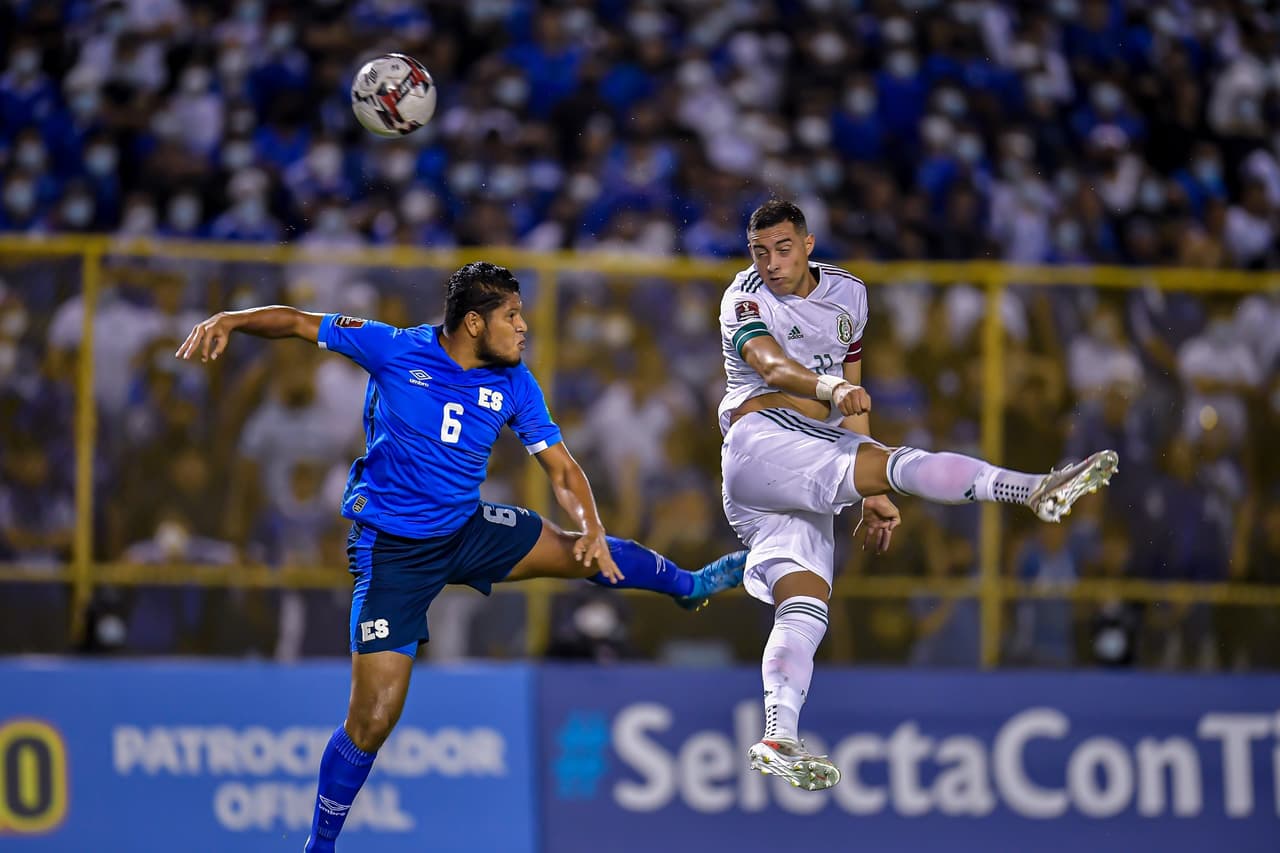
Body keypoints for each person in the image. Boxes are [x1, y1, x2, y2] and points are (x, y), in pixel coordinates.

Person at [177, 261, 746, 851]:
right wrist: (232, 318)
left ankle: (689, 586)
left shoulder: (516, 382)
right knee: (373, 720)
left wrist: (593, 525)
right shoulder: (394, 348)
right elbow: (297, 322)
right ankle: (319, 845)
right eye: (512, 316)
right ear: (474, 323)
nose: (524, 327)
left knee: (583, 551)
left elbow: (561, 468)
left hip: (466, 529)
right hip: (394, 552)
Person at [718, 200, 1117, 790]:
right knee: (901, 463)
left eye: (782, 249)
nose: (771, 264)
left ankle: (778, 733)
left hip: (805, 467)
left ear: (807, 243)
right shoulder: (744, 296)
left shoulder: (849, 294)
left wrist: (871, 492)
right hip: (758, 445)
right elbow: (771, 365)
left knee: (804, 608)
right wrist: (830, 391)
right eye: (760, 251)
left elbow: (852, 393)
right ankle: (1032, 489)